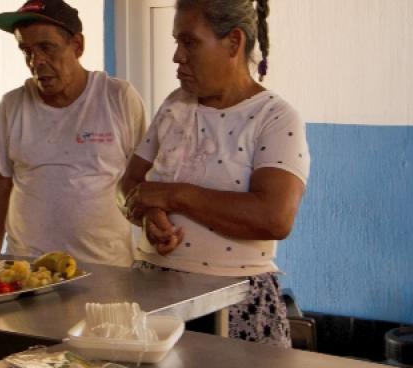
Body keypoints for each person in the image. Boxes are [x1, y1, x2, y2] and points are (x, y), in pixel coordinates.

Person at [120, 0, 310, 348]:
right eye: (176, 42)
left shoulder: (274, 118)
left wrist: (174, 195)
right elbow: (130, 185)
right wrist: (149, 215)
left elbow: (274, 218)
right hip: (154, 299)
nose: (177, 56)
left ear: (234, 42)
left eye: (189, 42)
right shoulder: (175, 105)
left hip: (235, 305)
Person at [0, 0, 146, 267]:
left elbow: (143, 179)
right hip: (29, 269)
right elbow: (1, 183)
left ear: (77, 46)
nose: (36, 61)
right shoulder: (12, 106)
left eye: (46, 47)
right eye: (26, 50)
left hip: (106, 269)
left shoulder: (118, 98)